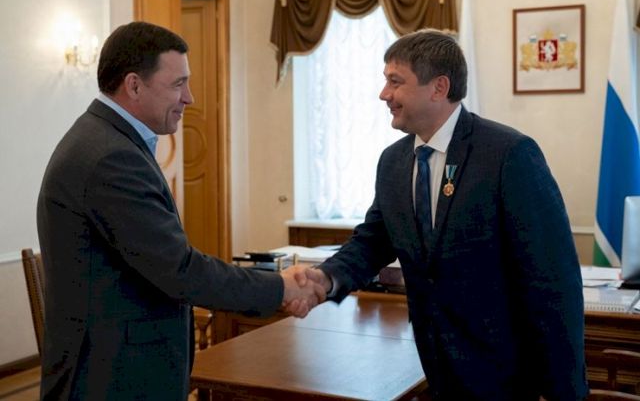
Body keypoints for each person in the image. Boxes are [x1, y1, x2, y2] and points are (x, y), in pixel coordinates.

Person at [36, 21, 324, 400]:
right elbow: (179, 270)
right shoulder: (111, 157)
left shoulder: (107, 140)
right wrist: (280, 287)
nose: (189, 97)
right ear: (134, 85)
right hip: (111, 377)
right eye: (178, 84)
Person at [295, 29, 588, 400]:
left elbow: (553, 282)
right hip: (436, 368)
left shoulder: (508, 155)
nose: (384, 94)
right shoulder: (393, 162)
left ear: (439, 87)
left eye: (395, 82)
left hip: (509, 378)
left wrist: (563, 393)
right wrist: (325, 279)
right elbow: (372, 242)